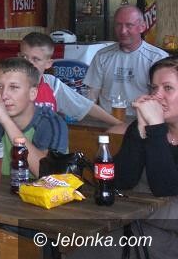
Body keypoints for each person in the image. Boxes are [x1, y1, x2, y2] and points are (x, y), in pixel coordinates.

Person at [68, 56, 178, 259]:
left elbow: (165, 188)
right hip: (140, 225)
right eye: (154, 88)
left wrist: (155, 128)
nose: (156, 96)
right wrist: (140, 129)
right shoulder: (148, 128)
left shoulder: (156, 129)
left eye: (168, 88)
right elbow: (121, 181)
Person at [19, 32, 121, 126]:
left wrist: (119, 125)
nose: (28, 63)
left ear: (48, 63)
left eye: (36, 59)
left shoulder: (52, 84)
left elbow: (86, 107)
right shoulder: (11, 83)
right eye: (24, 57)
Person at [84, 5, 168, 116]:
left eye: (129, 25)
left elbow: (162, 98)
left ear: (142, 27)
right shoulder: (102, 56)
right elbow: (91, 96)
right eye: (118, 25)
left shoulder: (157, 58)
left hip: (143, 121)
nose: (123, 31)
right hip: (107, 120)